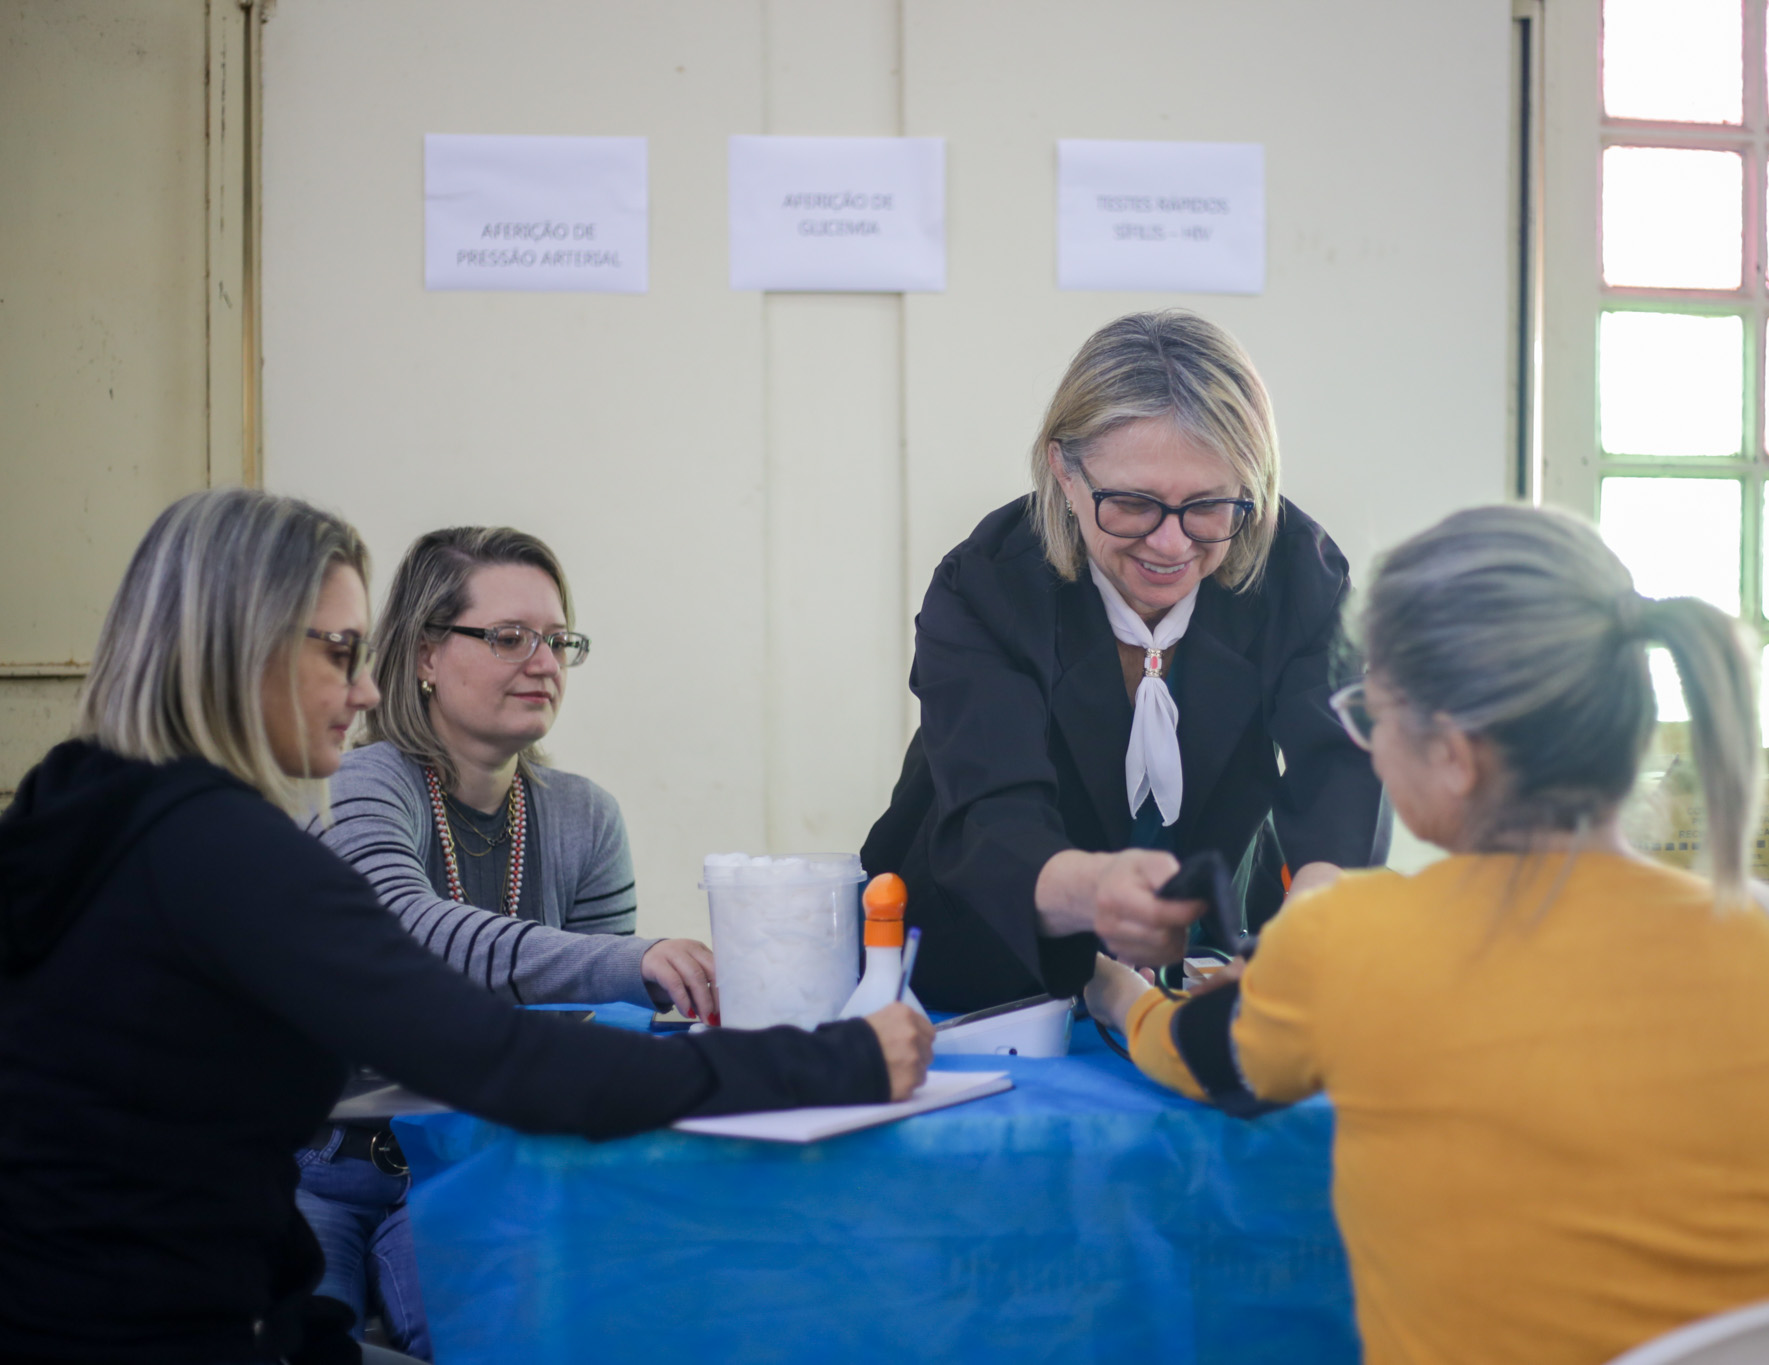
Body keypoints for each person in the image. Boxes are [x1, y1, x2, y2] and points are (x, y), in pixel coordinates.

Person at [0, 489, 932, 1365]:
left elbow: (182, 1156)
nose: (362, 692)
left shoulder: (91, 805)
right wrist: (835, 1060)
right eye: (338, 652)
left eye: (556, 639)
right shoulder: (223, 847)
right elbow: (508, 1060)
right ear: (241, 648)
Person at [1088, 505, 1769, 1365]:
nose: (1365, 740)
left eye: (1374, 710)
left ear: (1456, 754)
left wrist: (1113, 986)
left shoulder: (1352, 941)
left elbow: (1198, 1055)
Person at [862, 310, 1387, 1011]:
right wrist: (1095, 924)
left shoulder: (1295, 569)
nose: (1171, 544)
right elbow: (995, 817)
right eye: (1133, 504)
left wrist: (1316, 918)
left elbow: (1343, 762)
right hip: (994, 952)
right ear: (1064, 471)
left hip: (1209, 950)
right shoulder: (987, 586)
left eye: (1207, 505)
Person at [294, 527, 716, 1358]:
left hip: (484, 1159)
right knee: (300, 1340)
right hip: (327, 1169)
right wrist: (637, 963)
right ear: (423, 653)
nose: (544, 661)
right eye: (509, 637)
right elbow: (400, 931)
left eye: (558, 640)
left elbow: (591, 1029)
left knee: (494, 1333)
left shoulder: (583, 815)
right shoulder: (362, 780)